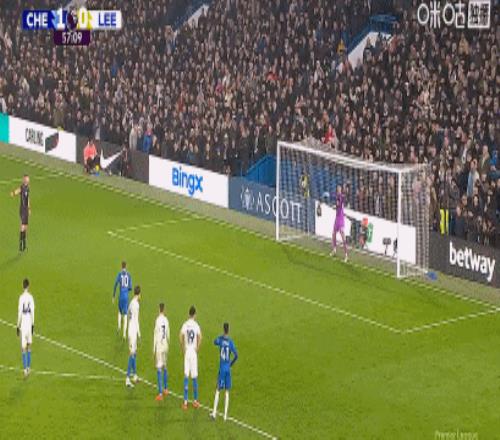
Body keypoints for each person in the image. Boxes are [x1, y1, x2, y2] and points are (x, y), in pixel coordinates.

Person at [210, 322, 238, 422]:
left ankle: (214, 413)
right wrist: (231, 364)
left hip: (222, 369)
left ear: (223, 329)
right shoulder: (230, 342)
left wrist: (221, 337)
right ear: (229, 330)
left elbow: (214, 341)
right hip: (228, 368)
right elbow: (236, 355)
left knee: (218, 389)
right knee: (227, 391)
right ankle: (225, 415)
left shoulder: (220, 340)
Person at [179, 305, 202, 410]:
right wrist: (197, 348)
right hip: (193, 352)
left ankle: (185, 402)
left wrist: (183, 347)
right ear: (195, 314)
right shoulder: (196, 325)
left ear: (189, 314)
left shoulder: (185, 324)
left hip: (187, 351)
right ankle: (195, 401)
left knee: (186, 375)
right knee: (194, 376)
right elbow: (200, 337)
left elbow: (180, 336)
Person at [17, 278, 35, 377]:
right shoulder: (31, 297)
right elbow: (32, 312)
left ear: (22, 286)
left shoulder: (21, 298)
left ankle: (25, 371)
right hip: (29, 324)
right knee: (29, 346)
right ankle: (28, 368)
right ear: (29, 286)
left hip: (23, 325)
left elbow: (20, 312)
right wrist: (33, 324)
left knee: (23, 348)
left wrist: (17, 325)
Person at [153, 303, 170, 401]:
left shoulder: (158, 320)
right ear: (164, 310)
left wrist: (154, 349)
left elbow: (155, 335)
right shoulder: (166, 320)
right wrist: (167, 344)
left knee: (159, 368)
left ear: (159, 309)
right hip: (165, 345)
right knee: (165, 366)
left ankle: (160, 394)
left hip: (159, 346)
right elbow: (168, 334)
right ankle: (166, 389)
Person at [126, 286, 141, 388]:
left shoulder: (131, 303)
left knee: (134, 353)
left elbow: (128, 315)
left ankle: (134, 376)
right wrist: (139, 334)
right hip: (133, 331)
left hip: (131, 329)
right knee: (132, 354)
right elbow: (136, 320)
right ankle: (127, 378)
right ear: (139, 294)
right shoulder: (136, 304)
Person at [10, 175, 30, 252]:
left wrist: (29, 208)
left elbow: (28, 198)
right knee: (22, 226)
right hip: (22, 209)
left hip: (26, 209)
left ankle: (24, 244)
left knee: (26, 227)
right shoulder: (22, 187)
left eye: (28, 179)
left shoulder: (28, 188)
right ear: (24, 180)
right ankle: (21, 244)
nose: (28, 180)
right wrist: (13, 193)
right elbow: (17, 191)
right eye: (27, 179)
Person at [112, 261, 132, 339]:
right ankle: (124, 334)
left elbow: (115, 285)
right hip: (126, 297)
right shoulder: (129, 275)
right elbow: (130, 287)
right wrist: (126, 290)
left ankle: (119, 326)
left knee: (120, 312)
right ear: (126, 266)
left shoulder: (119, 274)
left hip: (120, 296)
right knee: (126, 314)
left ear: (121, 266)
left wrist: (113, 296)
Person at [330, 185, 348, 262]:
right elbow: (337, 205)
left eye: (340, 189)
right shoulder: (337, 197)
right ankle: (334, 250)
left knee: (343, 236)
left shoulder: (342, 197)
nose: (339, 190)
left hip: (341, 218)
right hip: (337, 218)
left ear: (341, 190)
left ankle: (346, 255)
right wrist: (335, 207)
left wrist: (335, 206)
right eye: (338, 189)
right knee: (333, 234)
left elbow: (341, 203)